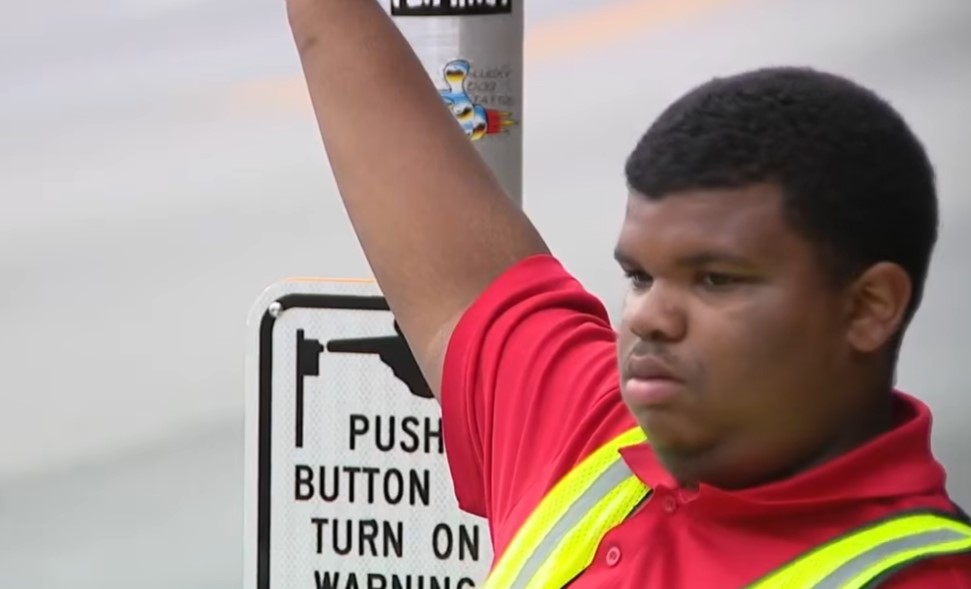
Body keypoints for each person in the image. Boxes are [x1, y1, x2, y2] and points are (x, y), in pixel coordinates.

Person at [284, 1, 971, 586]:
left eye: (714, 278)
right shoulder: (591, 430)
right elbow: (372, 111)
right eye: (639, 275)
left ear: (867, 306)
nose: (648, 315)